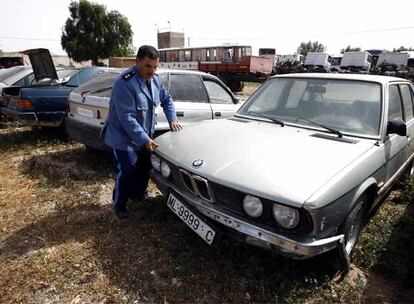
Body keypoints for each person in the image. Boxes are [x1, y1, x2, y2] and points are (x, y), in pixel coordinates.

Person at [104, 45, 182, 219]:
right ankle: (120, 205)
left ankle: (139, 196)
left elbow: (167, 100)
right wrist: (144, 139)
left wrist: (172, 119)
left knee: (145, 167)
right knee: (127, 171)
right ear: (137, 61)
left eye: (155, 67)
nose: (152, 71)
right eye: (148, 66)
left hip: (145, 136)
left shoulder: (154, 81)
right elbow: (127, 118)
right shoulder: (124, 82)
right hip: (123, 138)